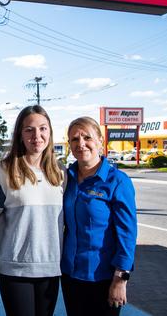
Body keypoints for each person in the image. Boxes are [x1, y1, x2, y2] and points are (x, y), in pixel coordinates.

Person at [0, 105, 65, 316]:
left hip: (50, 267)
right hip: (15, 268)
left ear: (50, 132)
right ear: (20, 134)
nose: (37, 136)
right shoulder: (4, 171)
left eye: (43, 128)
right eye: (29, 130)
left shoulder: (61, 173)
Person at [60, 116, 137, 316]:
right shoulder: (66, 178)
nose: (81, 144)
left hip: (103, 278)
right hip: (70, 275)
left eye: (87, 137)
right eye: (75, 140)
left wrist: (120, 280)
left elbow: (127, 235)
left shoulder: (117, 181)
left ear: (100, 142)